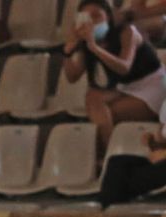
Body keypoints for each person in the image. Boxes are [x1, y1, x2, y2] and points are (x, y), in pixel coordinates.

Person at [63, 0, 165, 151]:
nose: (92, 23)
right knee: (93, 97)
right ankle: (108, 150)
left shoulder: (127, 32)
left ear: (108, 16)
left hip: (154, 85)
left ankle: (107, 151)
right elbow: (72, 77)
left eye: (97, 16)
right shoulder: (87, 41)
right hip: (125, 87)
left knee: (108, 114)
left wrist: (94, 47)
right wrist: (67, 51)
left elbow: (124, 67)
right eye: (87, 18)